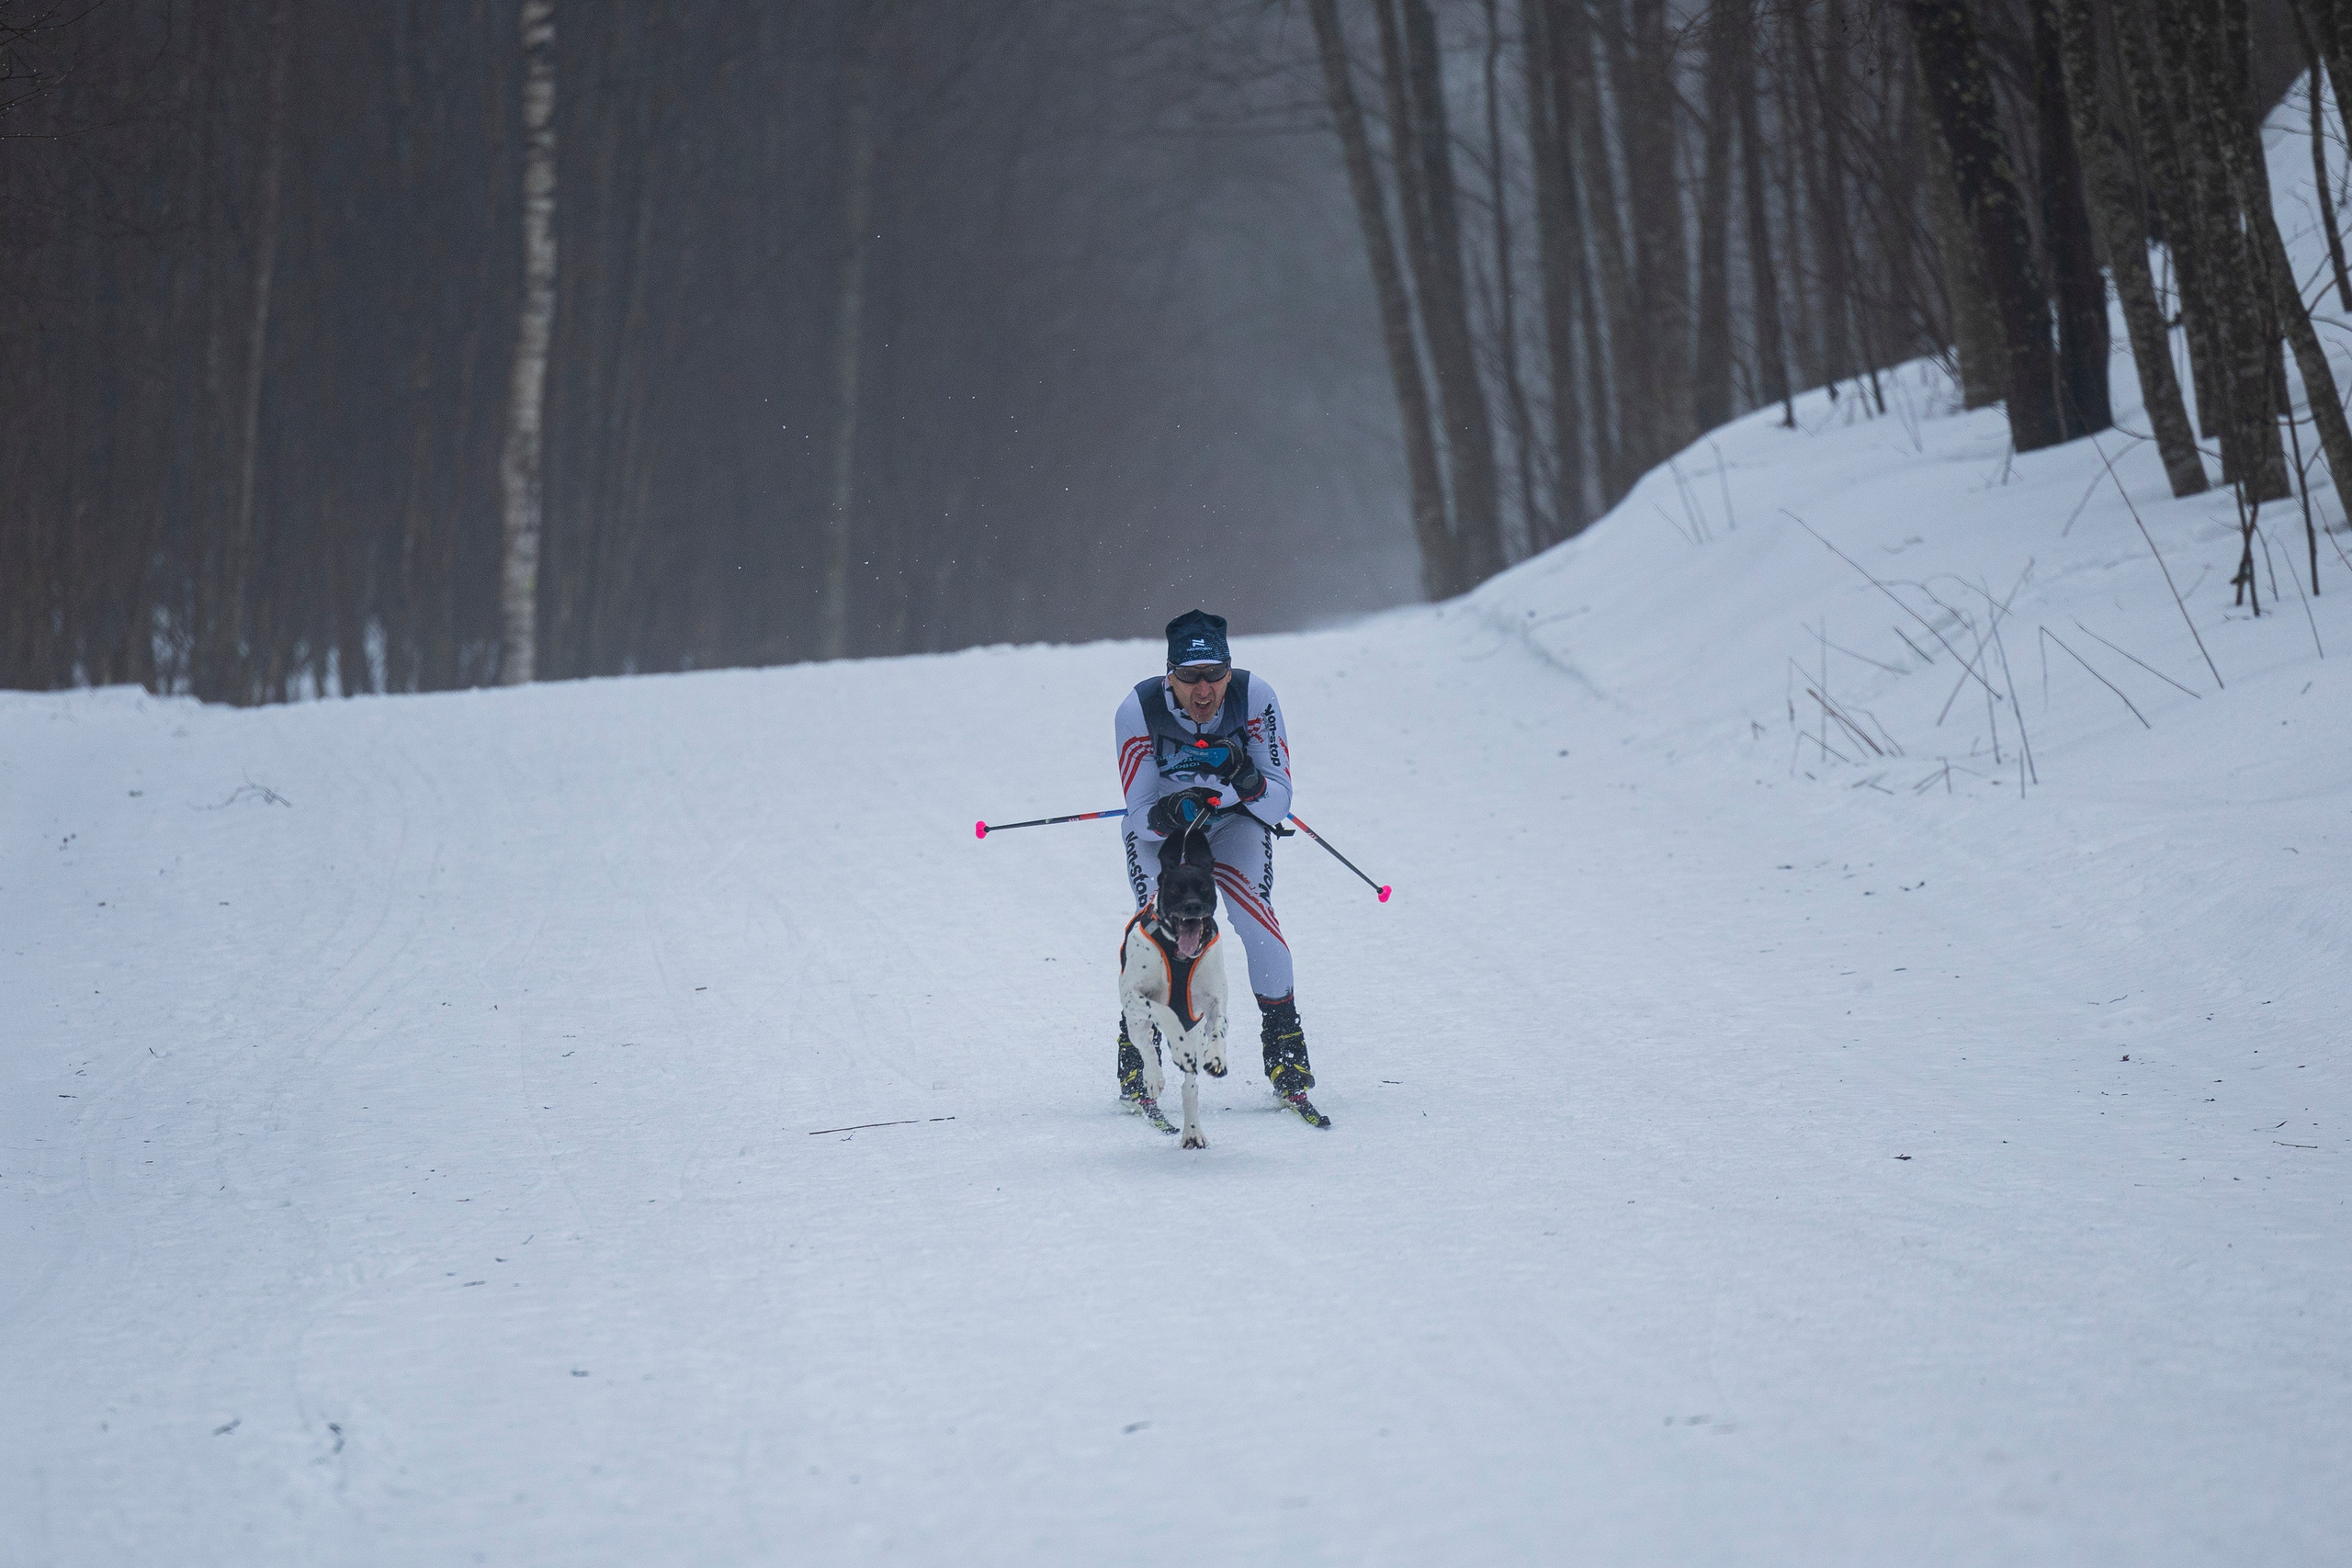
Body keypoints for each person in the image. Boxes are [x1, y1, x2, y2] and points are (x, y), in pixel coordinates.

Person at [1114, 609, 1315, 1103]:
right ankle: (1139, 1049)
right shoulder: (1138, 709)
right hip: (1164, 835)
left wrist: (1245, 780)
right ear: (1170, 676)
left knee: (1255, 919)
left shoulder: (1254, 697)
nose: (1203, 692)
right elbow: (1138, 816)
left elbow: (1277, 802)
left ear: (1229, 670)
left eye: (1214, 676)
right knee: (1156, 929)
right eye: (1188, 678)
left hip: (1234, 824)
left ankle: (1285, 1048)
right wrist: (1171, 811)